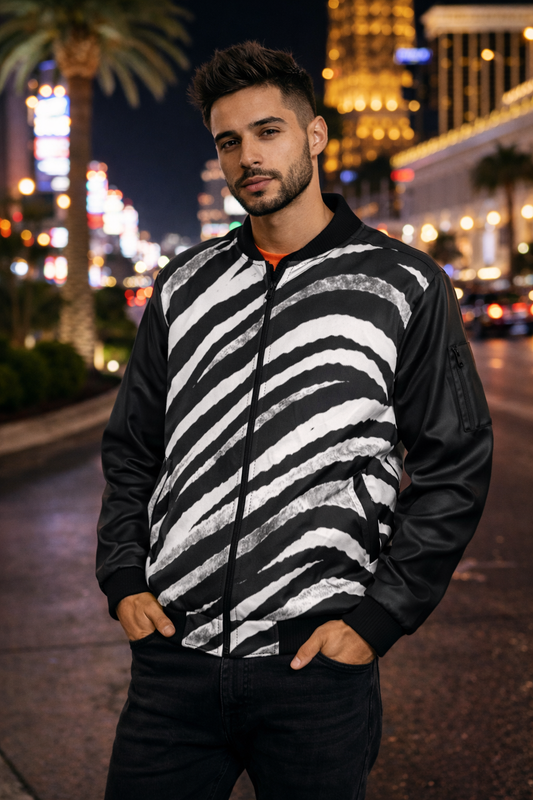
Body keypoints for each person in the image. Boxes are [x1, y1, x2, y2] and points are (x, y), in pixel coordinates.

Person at [96, 41, 493, 800]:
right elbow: (133, 447)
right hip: (173, 660)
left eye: (268, 131)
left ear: (314, 135)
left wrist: (378, 620)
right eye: (228, 141)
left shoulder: (404, 283)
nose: (248, 156)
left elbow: (456, 464)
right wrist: (122, 577)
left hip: (314, 668)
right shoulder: (183, 285)